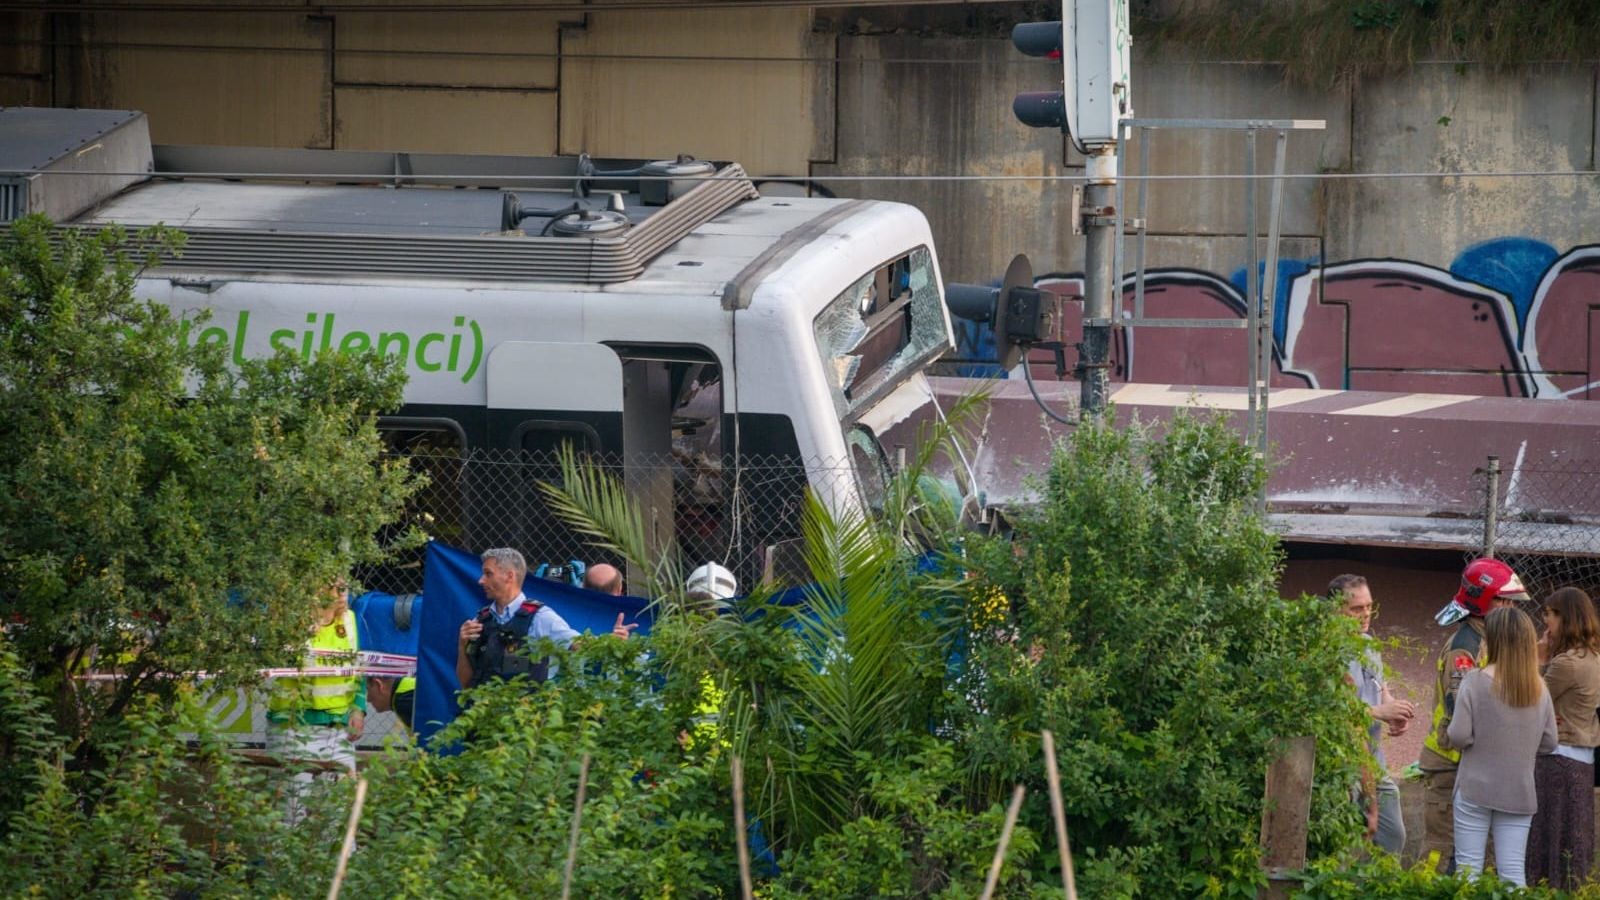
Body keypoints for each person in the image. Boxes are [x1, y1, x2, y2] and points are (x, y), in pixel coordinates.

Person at [1419, 557, 1531, 871]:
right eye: (1503, 601)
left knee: (1477, 854)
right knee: (1441, 850)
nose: (1510, 608)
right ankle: (1426, 891)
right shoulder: (1465, 647)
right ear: (1482, 601)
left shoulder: (1488, 641)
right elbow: (1461, 708)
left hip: (1475, 762)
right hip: (1450, 762)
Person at [1447, 606, 1558, 886]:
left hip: (1475, 787)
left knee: (1467, 871)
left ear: (1493, 640)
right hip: (1519, 791)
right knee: (1512, 874)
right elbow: (1549, 742)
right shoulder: (1539, 688)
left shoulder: (1473, 681)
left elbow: (1458, 736)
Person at [456, 547, 634, 689]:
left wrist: (611, 641)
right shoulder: (481, 621)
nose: (481, 580)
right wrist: (462, 645)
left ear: (509, 576)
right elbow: (465, 684)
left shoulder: (540, 618)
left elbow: (578, 645)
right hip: (483, 717)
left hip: (525, 719)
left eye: (488, 574)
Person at [266, 577, 365, 824]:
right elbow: (305, 664)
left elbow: (358, 669)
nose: (342, 594)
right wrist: (323, 617)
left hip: (339, 729)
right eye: (334, 588)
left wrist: (358, 709)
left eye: (344, 588)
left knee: (339, 816)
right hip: (293, 728)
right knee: (290, 815)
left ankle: (341, 851)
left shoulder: (350, 620)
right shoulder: (293, 621)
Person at [1331, 574, 1414, 855]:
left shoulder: (1368, 644)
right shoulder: (1328, 652)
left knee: (1393, 837)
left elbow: (1381, 690)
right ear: (1336, 611)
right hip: (1344, 767)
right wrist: (1380, 711)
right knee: (1343, 845)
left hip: (1374, 762)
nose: (1366, 614)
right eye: (1357, 608)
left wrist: (1393, 710)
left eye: (1369, 606)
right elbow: (1338, 714)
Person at [1527, 587, 1600, 889]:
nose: (1546, 622)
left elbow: (1530, 699)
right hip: (1581, 760)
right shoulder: (1593, 657)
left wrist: (1538, 657)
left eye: (1550, 615)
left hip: (1558, 759)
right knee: (1574, 837)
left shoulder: (1566, 663)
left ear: (1566, 617)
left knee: (1549, 836)